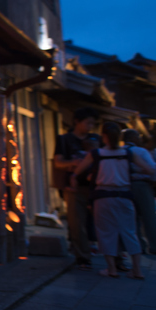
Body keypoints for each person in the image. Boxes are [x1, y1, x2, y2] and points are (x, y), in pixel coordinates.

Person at [72, 122, 153, 278]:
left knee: (106, 232)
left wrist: (76, 179)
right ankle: (137, 270)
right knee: (130, 232)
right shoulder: (128, 153)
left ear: (104, 137)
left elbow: (78, 171)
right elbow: (149, 169)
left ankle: (111, 269)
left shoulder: (96, 154)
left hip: (103, 196)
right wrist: (132, 173)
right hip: (124, 195)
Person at [54, 108, 98, 267]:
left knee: (99, 221)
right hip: (73, 187)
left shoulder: (96, 138)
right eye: (88, 122)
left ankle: (110, 254)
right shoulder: (65, 140)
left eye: (93, 123)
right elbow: (57, 162)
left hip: (95, 186)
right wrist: (73, 163)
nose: (90, 126)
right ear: (77, 122)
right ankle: (83, 256)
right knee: (77, 223)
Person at [122, 128, 156, 255]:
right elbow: (153, 169)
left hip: (125, 186)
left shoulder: (120, 151)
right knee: (149, 217)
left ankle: (139, 246)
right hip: (142, 185)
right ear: (132, 138)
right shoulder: (141, 151)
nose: (140, 138)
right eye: (137, 136)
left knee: (133, 218)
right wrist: (154, 181)